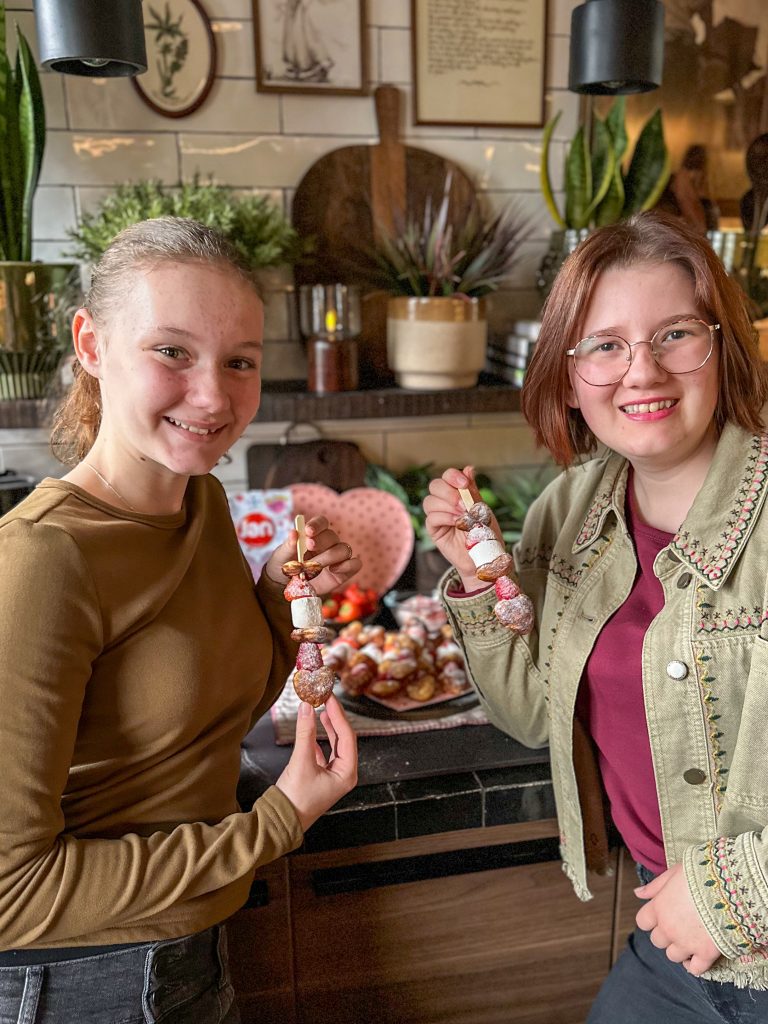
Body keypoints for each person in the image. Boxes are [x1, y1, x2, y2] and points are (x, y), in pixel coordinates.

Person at [0, 217, 359, 1022]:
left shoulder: (200, 499)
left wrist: (274, 591)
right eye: (171, 352)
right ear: (91, 345)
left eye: (240, 363)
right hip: (74, 985)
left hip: (186, 959)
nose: (214, 396)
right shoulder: (41, 558)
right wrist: (277, 821)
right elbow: (8, 894)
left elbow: (199, 712)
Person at [424, 210, 768, 1021]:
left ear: (722, 347)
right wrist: (480, 582)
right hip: (674, 941)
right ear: (569, 373)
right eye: (605, 345)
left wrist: (736, 892)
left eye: (675, 334)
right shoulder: (570, 510)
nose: (640, 372)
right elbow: (539, 715)